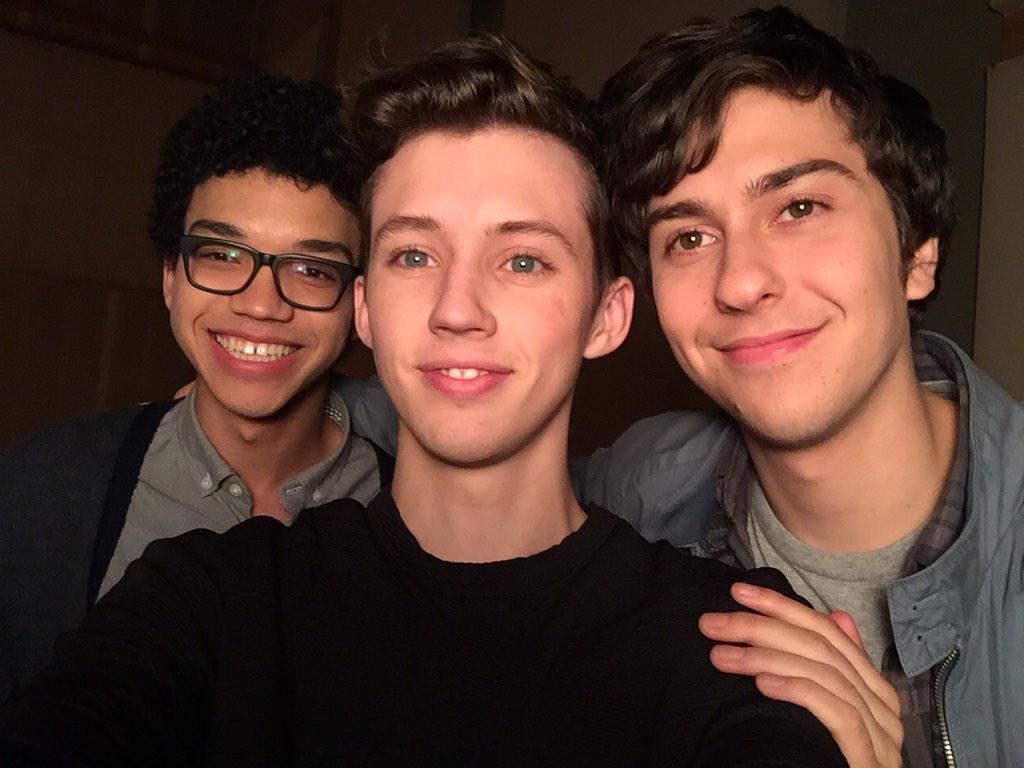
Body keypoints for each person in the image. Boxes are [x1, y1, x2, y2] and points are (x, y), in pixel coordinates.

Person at [0, 34, 845, 767]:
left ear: (607, 315)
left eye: (522, 260)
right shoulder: (207, 600)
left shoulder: (735, 643)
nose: (457, 308)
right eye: (414, 255)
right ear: (366, 308)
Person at [581, 7, 1022, 768]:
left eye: (799, 207)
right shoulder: (639, 490)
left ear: (916, 253)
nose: (740, 282)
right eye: (689, 237)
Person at [0, 75, 388, 702]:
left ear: (360, 304)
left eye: (311, 269)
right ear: (170, 278)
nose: (260, 305)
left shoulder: (421, 514)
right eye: (222, 256)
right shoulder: (39, 493)